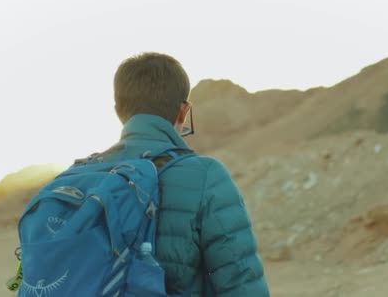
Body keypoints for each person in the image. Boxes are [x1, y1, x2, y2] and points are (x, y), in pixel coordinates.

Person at [92, 52, 269, 296]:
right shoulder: (205, 176)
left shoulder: (82, 176)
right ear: (183, 112)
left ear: (118, 112)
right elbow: (240, 282)